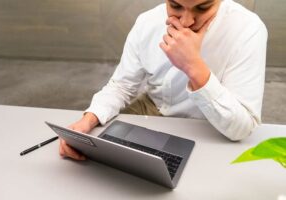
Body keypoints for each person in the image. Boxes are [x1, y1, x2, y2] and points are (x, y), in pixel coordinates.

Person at [60, 0, 268, 160]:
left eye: (203, 8)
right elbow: (122, 86)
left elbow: (242, 127)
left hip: (208, 123)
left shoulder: (248, 29)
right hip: (152, 108)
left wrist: (193, 66)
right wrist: (89, 120)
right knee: (97, 155)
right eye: (175, 5)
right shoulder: (147, 22)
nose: (186, 21)